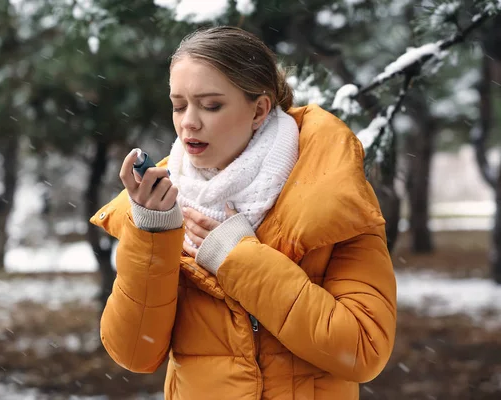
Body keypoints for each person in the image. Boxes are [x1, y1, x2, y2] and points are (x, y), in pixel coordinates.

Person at [90, 26, 397, 400]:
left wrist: (240, 258)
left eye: (210, 105)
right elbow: (134, 353)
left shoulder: (333, 193)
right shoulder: (170, 205)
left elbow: (363, 350)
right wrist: (153, 234)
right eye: (179, 104)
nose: (189, 121)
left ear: (259, 109)